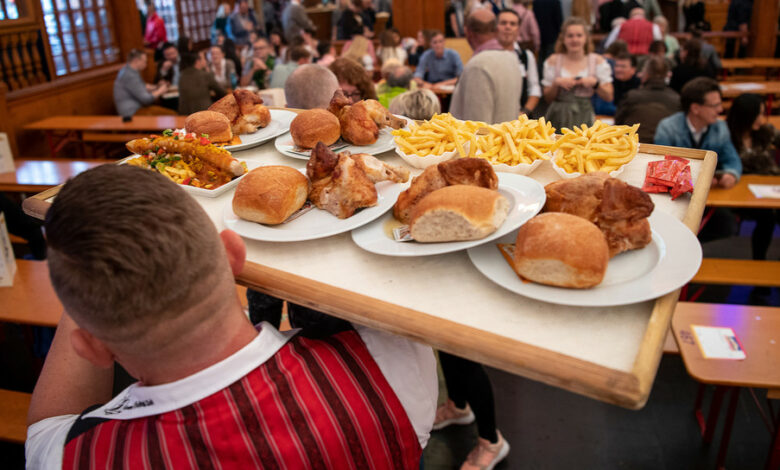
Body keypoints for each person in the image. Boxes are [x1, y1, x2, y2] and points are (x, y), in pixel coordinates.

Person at [25, 164, 437, 469]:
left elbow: (45, 428)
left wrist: (88, 268)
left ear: (92, 347)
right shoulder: (393, 371)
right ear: (233, 255)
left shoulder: (74, 457)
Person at [446, 12, 517, 470]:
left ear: (469, 33)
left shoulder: (476, 66)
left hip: (478, 198)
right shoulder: (511, 57)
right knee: (445, 332)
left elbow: (469, 141)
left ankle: (490, 439)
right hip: (500, 182)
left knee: (457, 333)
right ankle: (458, 407)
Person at [655, 76, 742, 188]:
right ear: (695, 108)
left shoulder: (720, 128)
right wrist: (695, 180)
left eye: (720, 104)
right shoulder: (668, 128)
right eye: (715, 105)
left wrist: (731, 174)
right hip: (674, 191)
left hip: (710, 192)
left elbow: (732, 159)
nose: (720, 110)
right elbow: (663, 167)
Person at [726, 93, 780, 261]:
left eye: (763, 113)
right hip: (742, 192)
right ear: (745, 115)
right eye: (758, 114)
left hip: (771, 188)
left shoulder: (765, 132)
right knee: (767, 218)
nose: (761, 119)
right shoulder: (725, 136)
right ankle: (759, 260)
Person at [542, 17, 614, 129]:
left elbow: (609, 96)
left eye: (579, 35)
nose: (574, 40)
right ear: (563, 39)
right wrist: (556, 84)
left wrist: (595, 84)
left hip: (584, 115)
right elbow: (547, 98)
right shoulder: (553, 60)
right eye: (570, 36)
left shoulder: (597, 61)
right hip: (557, 115)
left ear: (586, 38)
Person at [615, 56, 680, 143]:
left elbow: (618, 124)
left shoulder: (632, 96)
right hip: (665, 150)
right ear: (667, 75)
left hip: (633, 148)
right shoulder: (676, 99)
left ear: (646, 74)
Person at [496, 8, 541, 116]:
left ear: (518, 29)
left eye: (513, 24)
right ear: (496, 27)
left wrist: (524, 113)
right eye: (503, 23)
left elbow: (534, 88)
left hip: (520, 119)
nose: (508, 27)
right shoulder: (486, 55)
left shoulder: (527, 56)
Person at [113, 49, 170, 118]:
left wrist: (157, 86)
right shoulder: (129, 75)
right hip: (131, 113)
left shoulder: (128, 70)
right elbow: (146, 100)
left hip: (135, 109)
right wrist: (160, 91)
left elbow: (141, 87)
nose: (145, 65)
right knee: (172, 115)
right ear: (136, 60)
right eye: (144, 62)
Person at [533, 0, 563, 68]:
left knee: (540, 58)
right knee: (550, 58)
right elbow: (559, 19)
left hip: (540, 35)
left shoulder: (536, 2)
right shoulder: (555, 2)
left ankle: (540, 75)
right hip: (552, 35)